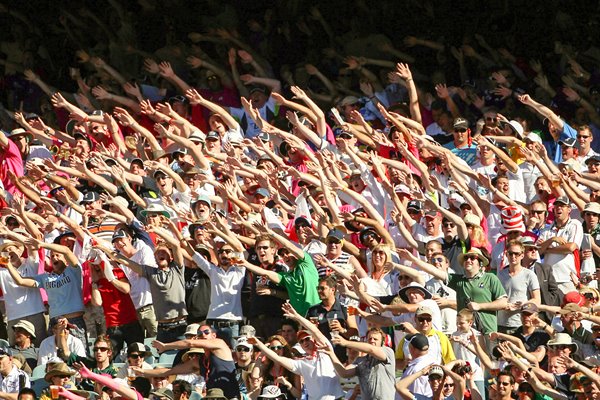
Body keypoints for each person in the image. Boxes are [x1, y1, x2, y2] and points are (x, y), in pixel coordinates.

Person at [150, 324, 240, 400]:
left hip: (231, 396)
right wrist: (142, 372)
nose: (195, 357)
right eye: (192, 355)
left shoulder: (220, 343)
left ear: (214, 335)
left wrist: (166, 346)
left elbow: (189, 343)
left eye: (206, 332)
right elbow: (170, 371)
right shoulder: (200, 362)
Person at [326, 327, 397, 400]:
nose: (372, 341)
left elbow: (371, 350)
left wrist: (345, 342)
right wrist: (331, 353)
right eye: (369, 339)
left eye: (375, 339)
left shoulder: (388, 352)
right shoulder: (360, 360)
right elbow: (344, 373)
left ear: (382, 342)